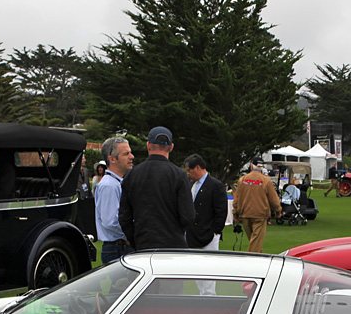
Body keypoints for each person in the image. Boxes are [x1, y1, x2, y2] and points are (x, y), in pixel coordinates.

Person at [118, 126, 195, 250]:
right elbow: (188, 216)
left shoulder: (132, 175)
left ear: (148, 145)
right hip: (173, 245)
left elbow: (124, 217)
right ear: (171, 147)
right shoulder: (178, 175)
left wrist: (135, 239)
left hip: (143, 243)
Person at [183, 154, 228, 294]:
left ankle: (210, 295)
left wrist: (215, 231)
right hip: (192, 234)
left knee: (209, 268)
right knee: (196, 268)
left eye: (189, 170)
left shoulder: (216, 185)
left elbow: (221, 211)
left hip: (209, 234)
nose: (188, 174)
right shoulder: (190, 185)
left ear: (197, 168)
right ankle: (201, 295)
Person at [95, 137, 135, 264]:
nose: (132, 156)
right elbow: (110, 221)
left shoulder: (117, 182)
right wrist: (133, 234)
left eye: (130, 152)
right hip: (117, 248)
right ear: (112, 159)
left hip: (120, 247)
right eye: (126, 154)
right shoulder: (109, 185)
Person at [232, 157, 281, 253]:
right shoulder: (266, 181)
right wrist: (278, 211)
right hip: (260, 215)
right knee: (255, 244)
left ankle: (260, 260)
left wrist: (235, 213)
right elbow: (274, 199)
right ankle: (252, 263)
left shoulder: (242, 180)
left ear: (251, 166)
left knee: (254, 242)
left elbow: (237, 199)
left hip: (245, 214)